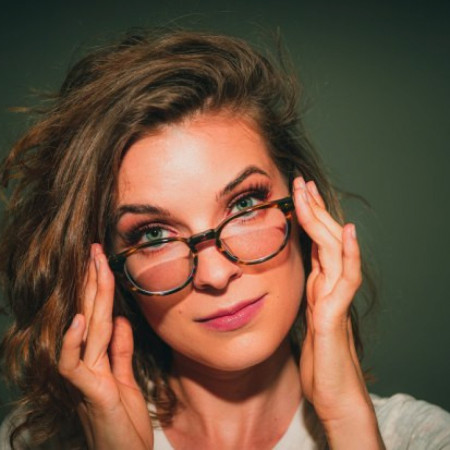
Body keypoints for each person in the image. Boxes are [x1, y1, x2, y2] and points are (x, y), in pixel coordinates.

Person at [0, 28, 449, 450]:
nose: (215, 274)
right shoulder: (27, 442)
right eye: (155, 235)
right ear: (109, 270)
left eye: (244, 205)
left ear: (304, 208)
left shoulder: (419, 438)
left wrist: (349, 421)